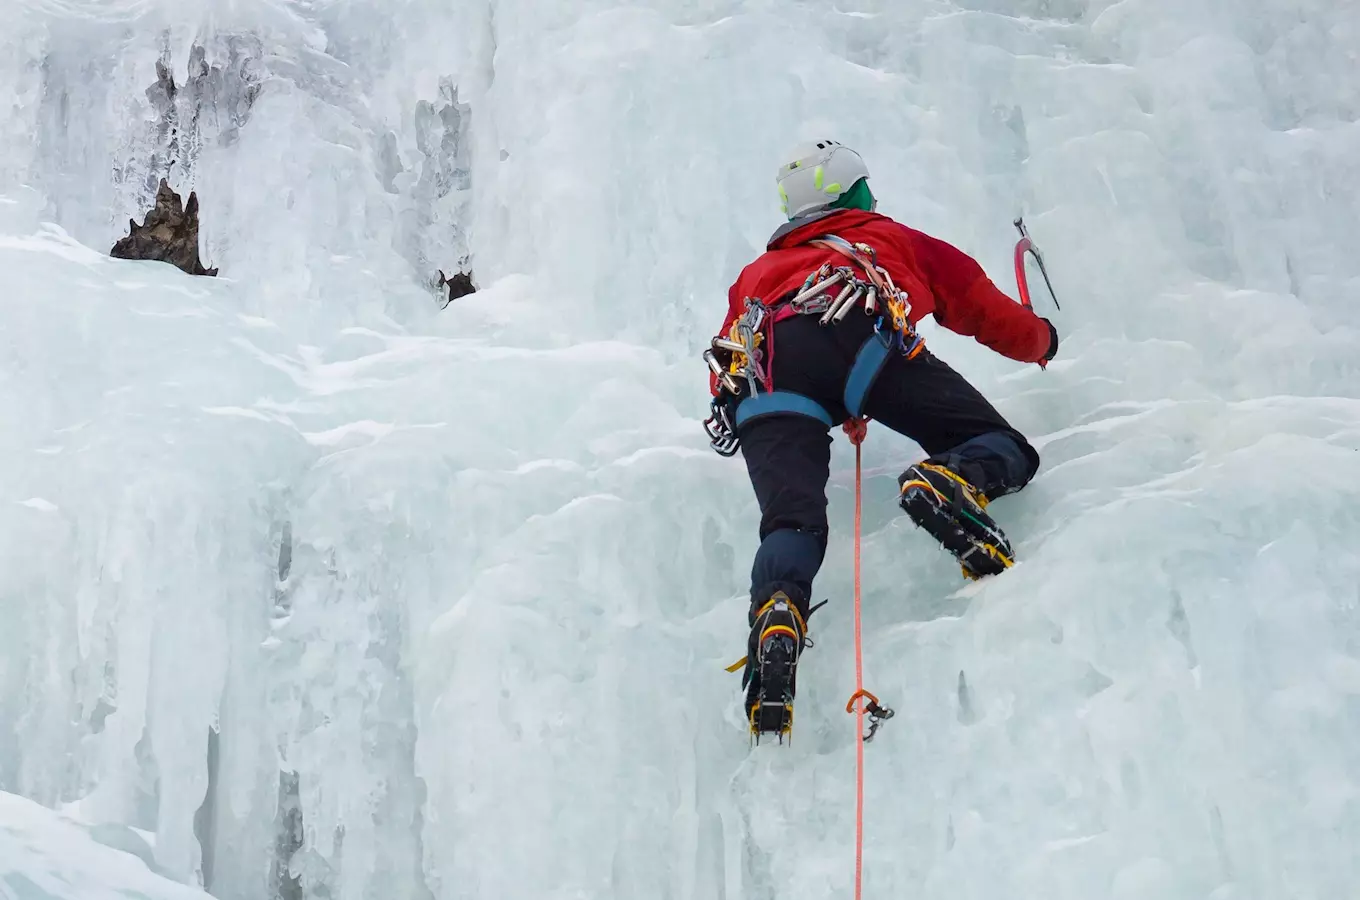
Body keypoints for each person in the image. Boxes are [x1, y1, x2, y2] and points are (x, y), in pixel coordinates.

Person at [704, 140, 1058, 739]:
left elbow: (734, 359)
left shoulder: (757, 274)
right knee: (1004, 445)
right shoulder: (886, 237)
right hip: (858, 334)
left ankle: (778, 612)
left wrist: (831, 401)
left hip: (761, 378)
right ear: (852, 192)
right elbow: (976, 304)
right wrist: (1041, 342)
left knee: (790, 522)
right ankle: (950, 480)